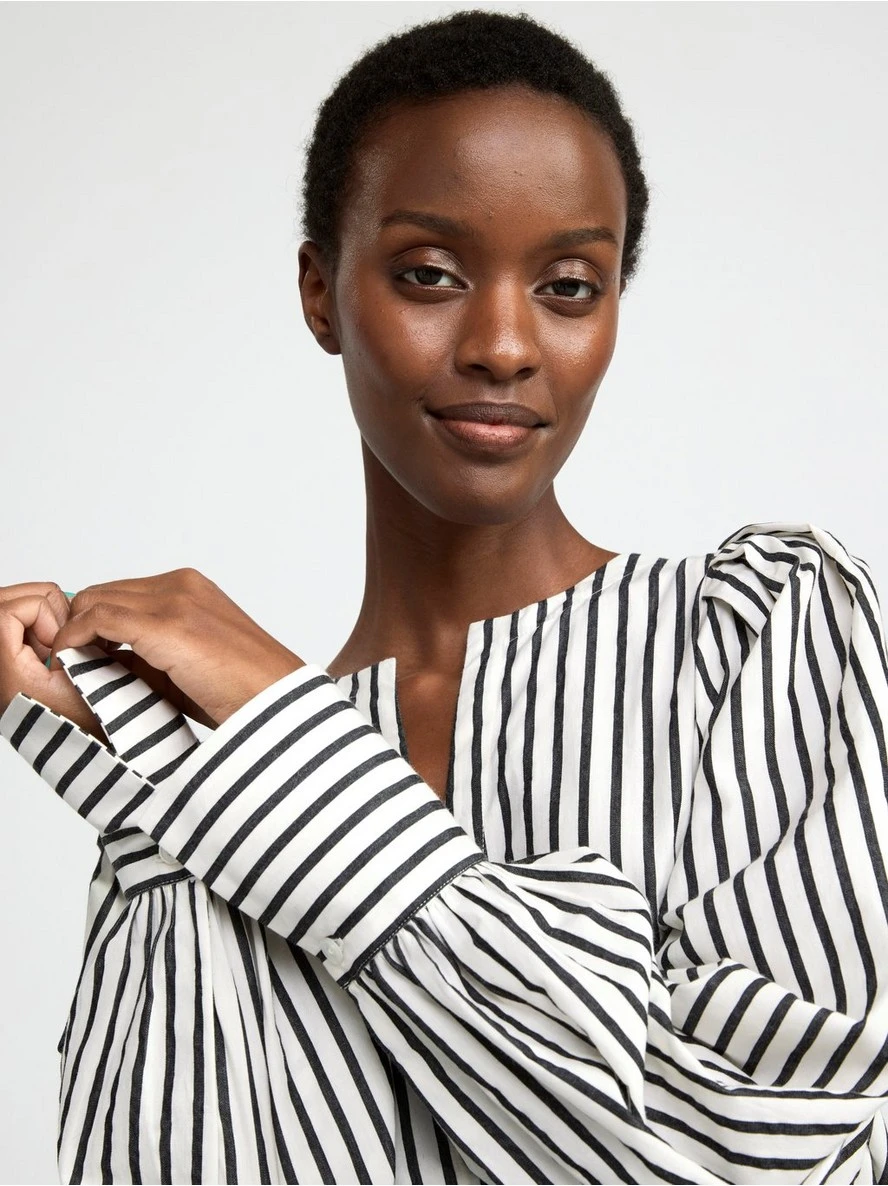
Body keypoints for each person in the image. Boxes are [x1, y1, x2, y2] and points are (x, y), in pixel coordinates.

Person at [1, 8, 887, 1184]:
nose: (505, 344)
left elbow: (778, 1151)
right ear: (322, 292)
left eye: (570, 285)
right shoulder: (193, 790)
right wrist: (156, 788)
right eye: (429, 273)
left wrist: (284, 740)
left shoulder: (759, 634)